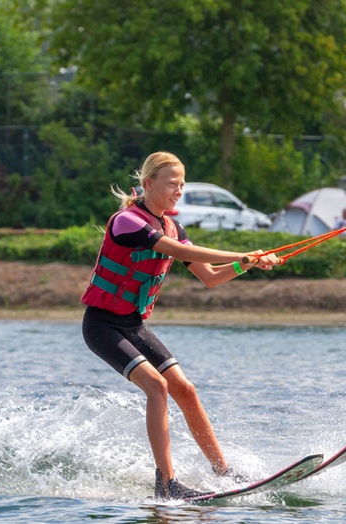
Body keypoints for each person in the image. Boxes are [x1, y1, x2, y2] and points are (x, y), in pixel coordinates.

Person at [80, 151, 280, 501]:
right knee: (157, 386)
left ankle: (223, 472)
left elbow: (210, 278)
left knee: (184, 390)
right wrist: (243, 255)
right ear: (148, 184)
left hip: (133, 325)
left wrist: (248, 265)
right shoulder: (127, 221)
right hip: (102, 326)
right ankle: (166, 484)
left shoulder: (173, 225)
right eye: (172, 183)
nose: (179, 190)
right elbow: (173, 249)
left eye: (182, 184)